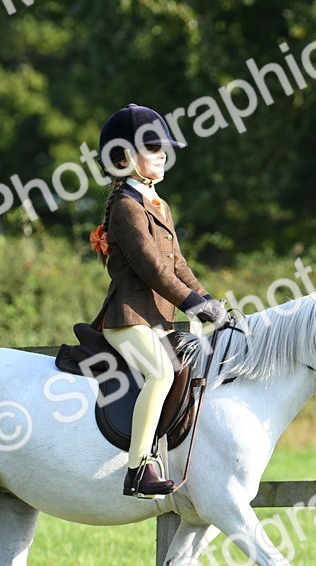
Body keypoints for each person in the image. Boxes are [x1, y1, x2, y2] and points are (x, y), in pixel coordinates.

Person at [88, 103, 230, 497]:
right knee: (161, 373)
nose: (163, 154)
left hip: (157, 320)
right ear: (125, 158)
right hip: (128, 319)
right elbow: (153, 270)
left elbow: (178, 265)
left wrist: (210, 302)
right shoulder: (127, 208)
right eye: (153, 148)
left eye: (164, 148)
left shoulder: (158, 205)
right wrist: (193, 306)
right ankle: (137, 468)